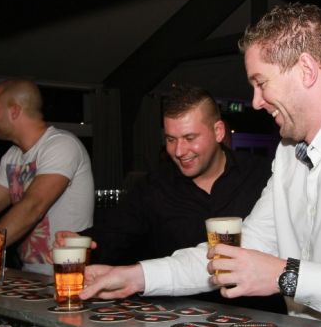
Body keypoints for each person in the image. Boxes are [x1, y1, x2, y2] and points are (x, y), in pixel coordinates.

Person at [80, 3, 321, 327]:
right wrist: (137, 276)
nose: (256, 102)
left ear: (306, 70)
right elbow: (241, 249)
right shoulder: (289, 153)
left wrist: (287, 277)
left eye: (261, 83)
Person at [62, 84, 283, 312]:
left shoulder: (263, 174)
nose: (179, 151)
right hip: (180, 319)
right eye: (170, 139)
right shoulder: (154, 187)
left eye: (189, 137)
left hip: (263, 318)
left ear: (218, 132)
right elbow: (115, 233)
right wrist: (83, 242)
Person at [0, 79, 94, 274]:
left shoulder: (61, 145)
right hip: (30, 274)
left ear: (14, 111)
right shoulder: (13, 155)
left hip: (68, 274)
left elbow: (33, 207)